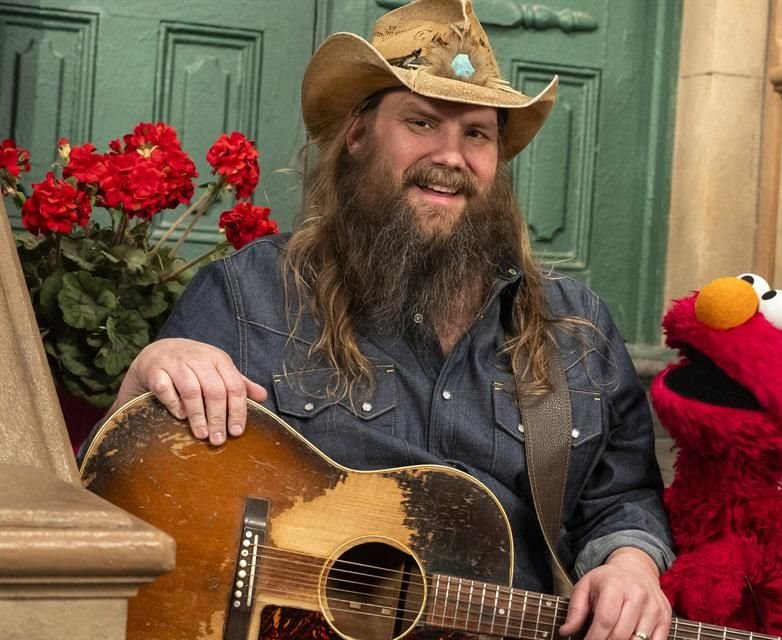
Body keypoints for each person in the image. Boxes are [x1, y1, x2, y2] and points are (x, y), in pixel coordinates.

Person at [110, 1, 674, 638]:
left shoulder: (575, 327)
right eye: (422, 121)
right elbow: (136, 479)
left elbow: (620, 494)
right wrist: (151, 372)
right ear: (358, 135)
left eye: (477, 134)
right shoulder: (251, 295)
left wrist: (631, 562)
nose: (451, 156)